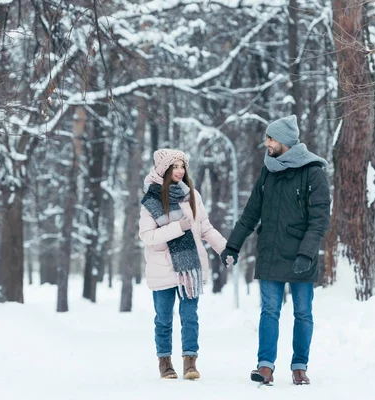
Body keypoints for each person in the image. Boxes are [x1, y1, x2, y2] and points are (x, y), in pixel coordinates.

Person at [220, 115, 330, 386]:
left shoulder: (313, 172)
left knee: (302, 312)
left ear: (285, 141)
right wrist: (233, 244)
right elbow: (251, 212)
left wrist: (306, 252)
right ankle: (265, 366)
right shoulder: (268, 170)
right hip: (270, 252)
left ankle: (299, 366)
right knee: (269, 310)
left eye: (270, 138)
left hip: (301, 257)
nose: (266, 143)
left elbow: (320, 219)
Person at [139, 148, 227, 380]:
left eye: (182, 166)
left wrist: (224, 248)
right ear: (164, 169)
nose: (179, 171)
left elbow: (204, 227)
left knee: (190, 316)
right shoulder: (151, 199)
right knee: (164, 318)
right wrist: (178, 227)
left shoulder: (192, 195)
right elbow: (147, 236)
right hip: (163, 269)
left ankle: (190, 361)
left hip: (190, 268)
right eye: (174, 166)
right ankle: (165, 362)